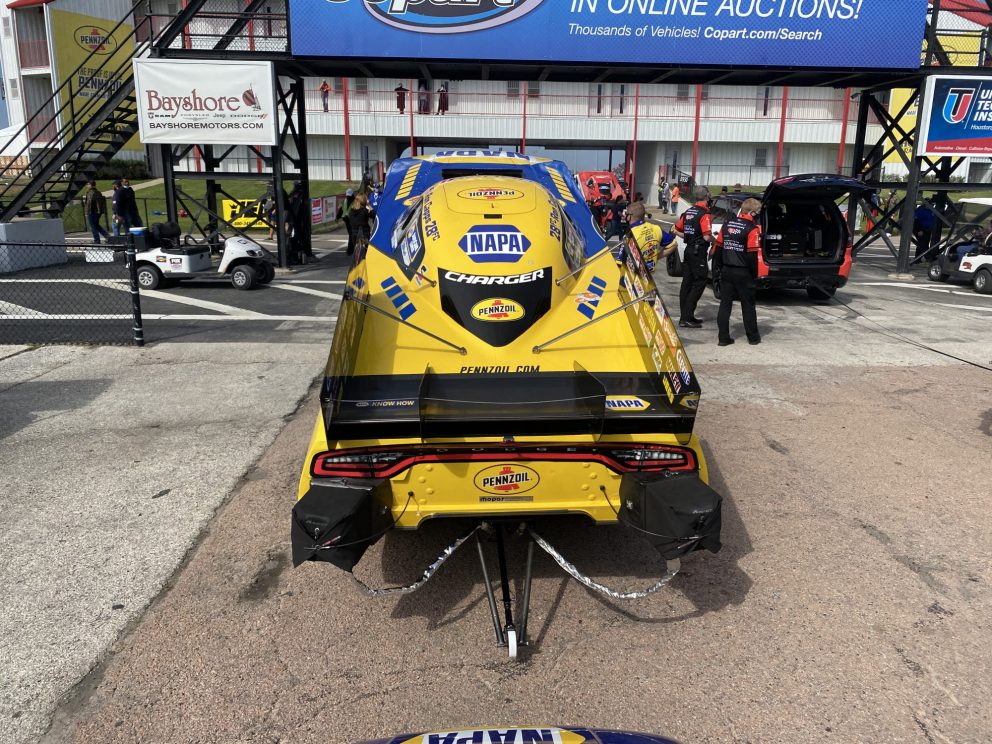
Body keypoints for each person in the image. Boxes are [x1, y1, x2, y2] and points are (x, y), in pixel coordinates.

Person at [713, 197, 762, 346]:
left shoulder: (727, 225)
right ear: (752, 212)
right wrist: (754, 274)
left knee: (725, 305)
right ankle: (753, 338)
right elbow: (752, 255)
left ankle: (723, 338)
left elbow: (718, 250)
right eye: (758, 212)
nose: (759, 214)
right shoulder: (752, 229)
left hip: (727, 270)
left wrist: (719, 269)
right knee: (748, 305)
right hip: (744, 272)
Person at [672, 185, 714, 328]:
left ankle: (685, 317)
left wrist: (690, 237)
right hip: (698, 252)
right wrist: (718, 241)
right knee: (700, 281)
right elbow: (707, 237)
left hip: (689, 250)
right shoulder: (705, 214)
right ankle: (687, 316)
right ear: (707, 197)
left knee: (687, 282)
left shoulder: (688, 212)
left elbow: (677, 231)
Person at [627, 201, 677, 271]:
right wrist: (656, 256)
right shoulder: (656, 228)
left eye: (626, 213)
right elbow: (674, 244)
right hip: (649, 274)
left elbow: (620, 262)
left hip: (633, 275)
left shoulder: (629, 234)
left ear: (630, 216)